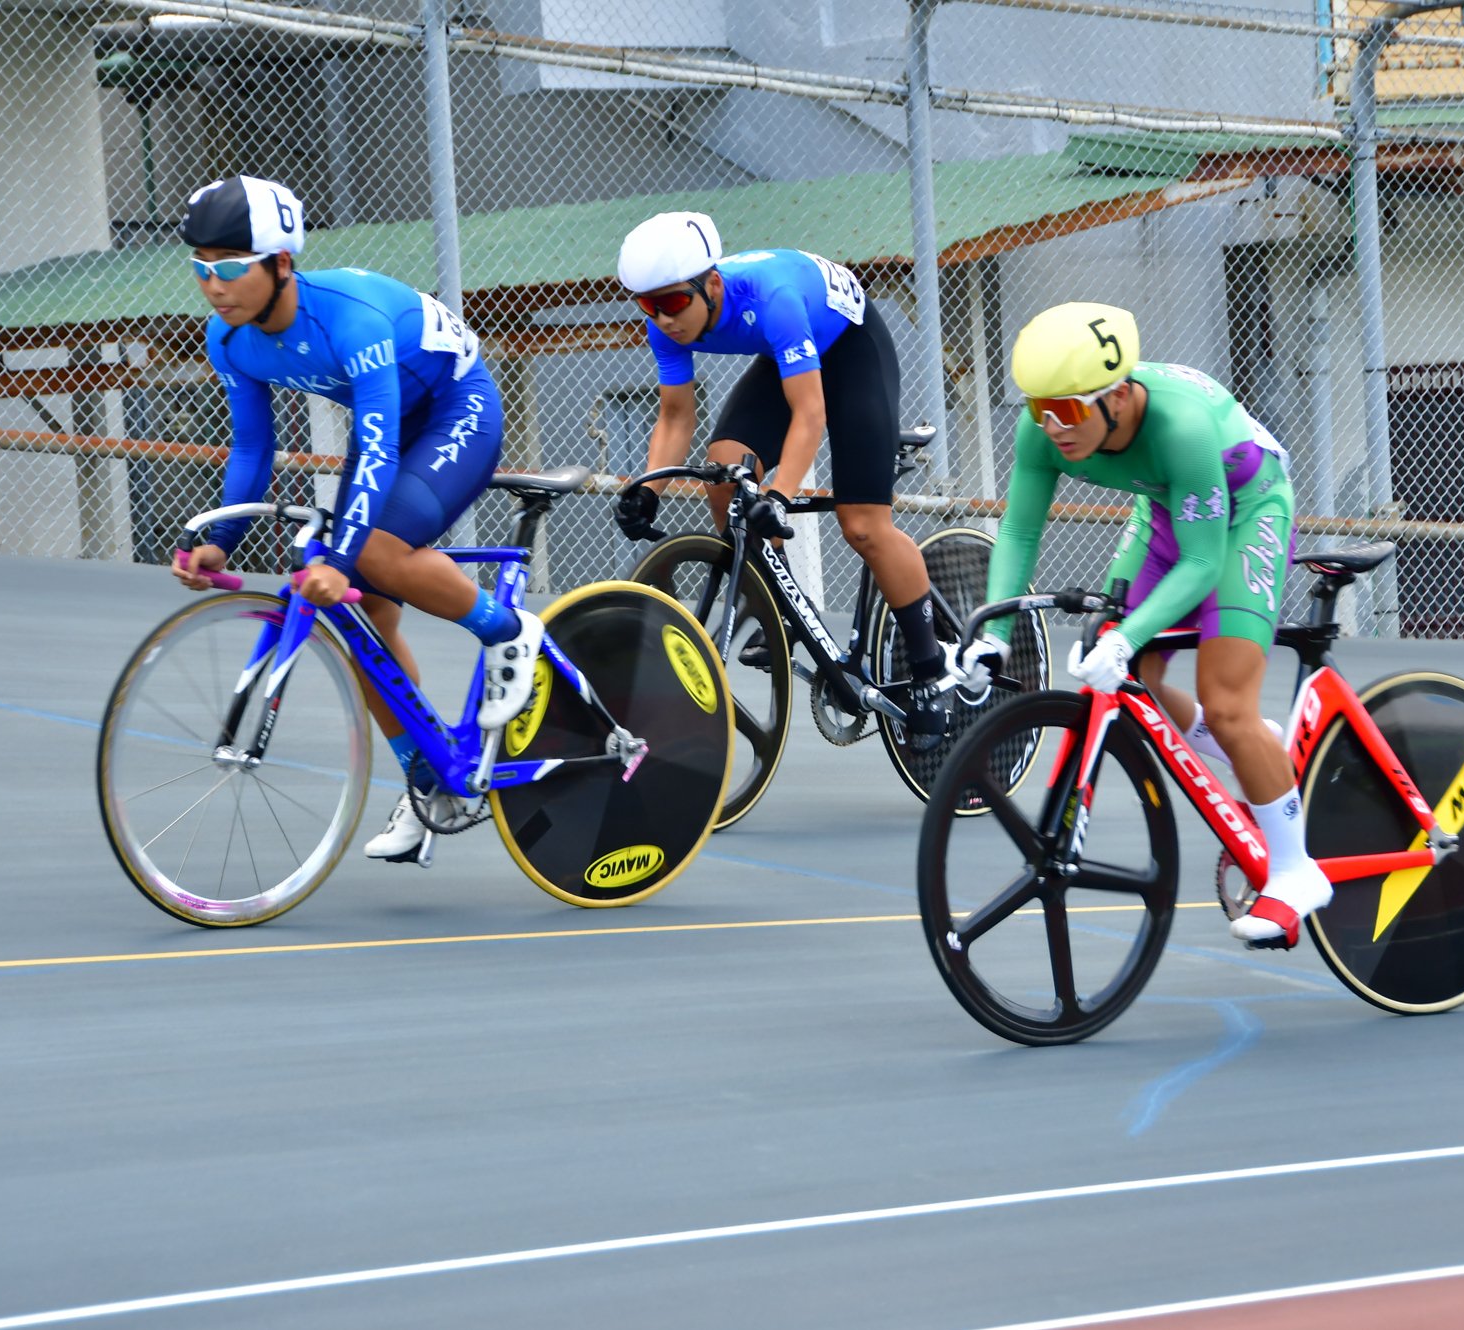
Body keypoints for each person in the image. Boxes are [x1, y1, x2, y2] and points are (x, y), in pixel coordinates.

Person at [168, 174, 539, 865]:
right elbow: (253, 446)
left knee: (370, 556)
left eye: (227, 266)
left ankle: (510, 631)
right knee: (366, 622)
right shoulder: (230, 339)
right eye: (198, 266)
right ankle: (429, 781)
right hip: (390, 427)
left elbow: (378, 447)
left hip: (456, 410)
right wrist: (221, 542)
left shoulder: (351, 318)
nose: (212, 284)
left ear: (282, 263)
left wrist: (341, 560)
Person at [961, 301, 1327, 949]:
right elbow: (1019, 530)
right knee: (1134, 682)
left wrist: (1128, 635)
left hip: (1245, 511)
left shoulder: (1179, 425)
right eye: (1039, 410)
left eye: (1068, 411)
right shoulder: (1043, 428)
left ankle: (1297, 871)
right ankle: (1257, 748)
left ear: (1120, 396)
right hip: (1164, 508)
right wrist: (991, 633)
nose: (1053, 428)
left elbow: (1205, 560)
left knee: (1225, 699)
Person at [609, 211, 951, 750]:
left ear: (712, 284)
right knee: (723, 467)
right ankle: (783, 609)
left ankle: (932, 672)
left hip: (849, 347)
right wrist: (646, 487)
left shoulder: (773, 301)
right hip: (786, 355)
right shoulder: (665, 320)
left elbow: (809, 414)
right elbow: (675, 416)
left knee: (862, 525)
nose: (664, 319)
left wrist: (777, 497)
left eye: (674, 303)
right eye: (648, 305)